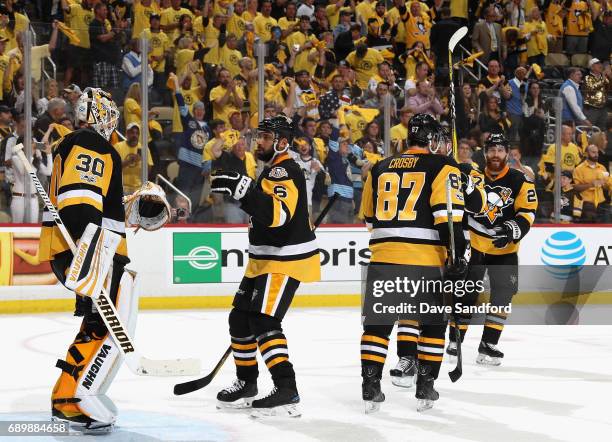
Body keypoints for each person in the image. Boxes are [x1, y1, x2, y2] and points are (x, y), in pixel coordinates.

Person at [40, 88, 170, 433]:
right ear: (99, 114)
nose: (114, 116)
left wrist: (129, 209)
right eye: (109, 111)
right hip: (89, 250)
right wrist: (91, 252)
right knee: (111, 325)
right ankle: (76, 399)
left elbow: (92, 203)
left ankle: (66, 395)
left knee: (98, 324)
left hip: (83, 246)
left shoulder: (78, 144)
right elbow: (80, 203)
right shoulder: (94, 145)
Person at [210, 115, 321, 417]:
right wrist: (245, 191)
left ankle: (286, 388)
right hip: (264, 259)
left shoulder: (284, 170)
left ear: (283, 142)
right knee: (240, 319)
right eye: (259, 136)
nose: (259, 141)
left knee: (264, 321)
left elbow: (278, 216)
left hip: (284, 260)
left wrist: (244, 191)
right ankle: (247, 383)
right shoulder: (271, 168)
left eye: (266, 137)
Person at [359, 113, 467, 412]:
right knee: (432, 325)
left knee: (377, 327)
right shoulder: (444, 166)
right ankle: (425, 387)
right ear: (432, 140)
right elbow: (448, 217)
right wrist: (458, 256)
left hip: (383, 258)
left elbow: (369, 218)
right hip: (425, 260)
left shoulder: (380, 167)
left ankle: (370, 386)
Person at [447, 132, 538, 365]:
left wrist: (512, 230)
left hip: (505, 250)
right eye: (491, 150)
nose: (495, 154)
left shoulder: (520, 180)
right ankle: (455, 341)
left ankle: (488, 345)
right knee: (466, 294)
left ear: (507, 153)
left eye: (500, 150)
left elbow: (527, 212)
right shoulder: (474, 177)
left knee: (502, 297)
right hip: (475, 246)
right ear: (485, 152)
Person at [113, 122, 154, 194]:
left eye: (137, 133)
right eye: (132, 132)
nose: (134, 135)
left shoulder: (144, 149)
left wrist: (143, 162)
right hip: (121, 187)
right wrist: (130, 161)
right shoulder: (118, 147)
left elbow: (149, 168)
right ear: (127, 133)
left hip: (139, 189)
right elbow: (114, 166)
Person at [582, 58, 610, 131]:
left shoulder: (603, 78)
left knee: (602, 129)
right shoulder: (588, 78)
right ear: (592, 67)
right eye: (597, 64)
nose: (600, 65)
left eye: (600, 63)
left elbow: (609, 87)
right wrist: (603, 79)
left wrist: (610, 76)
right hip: (592, 108)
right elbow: (592, 88)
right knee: (588, 129)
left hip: (603, 107)